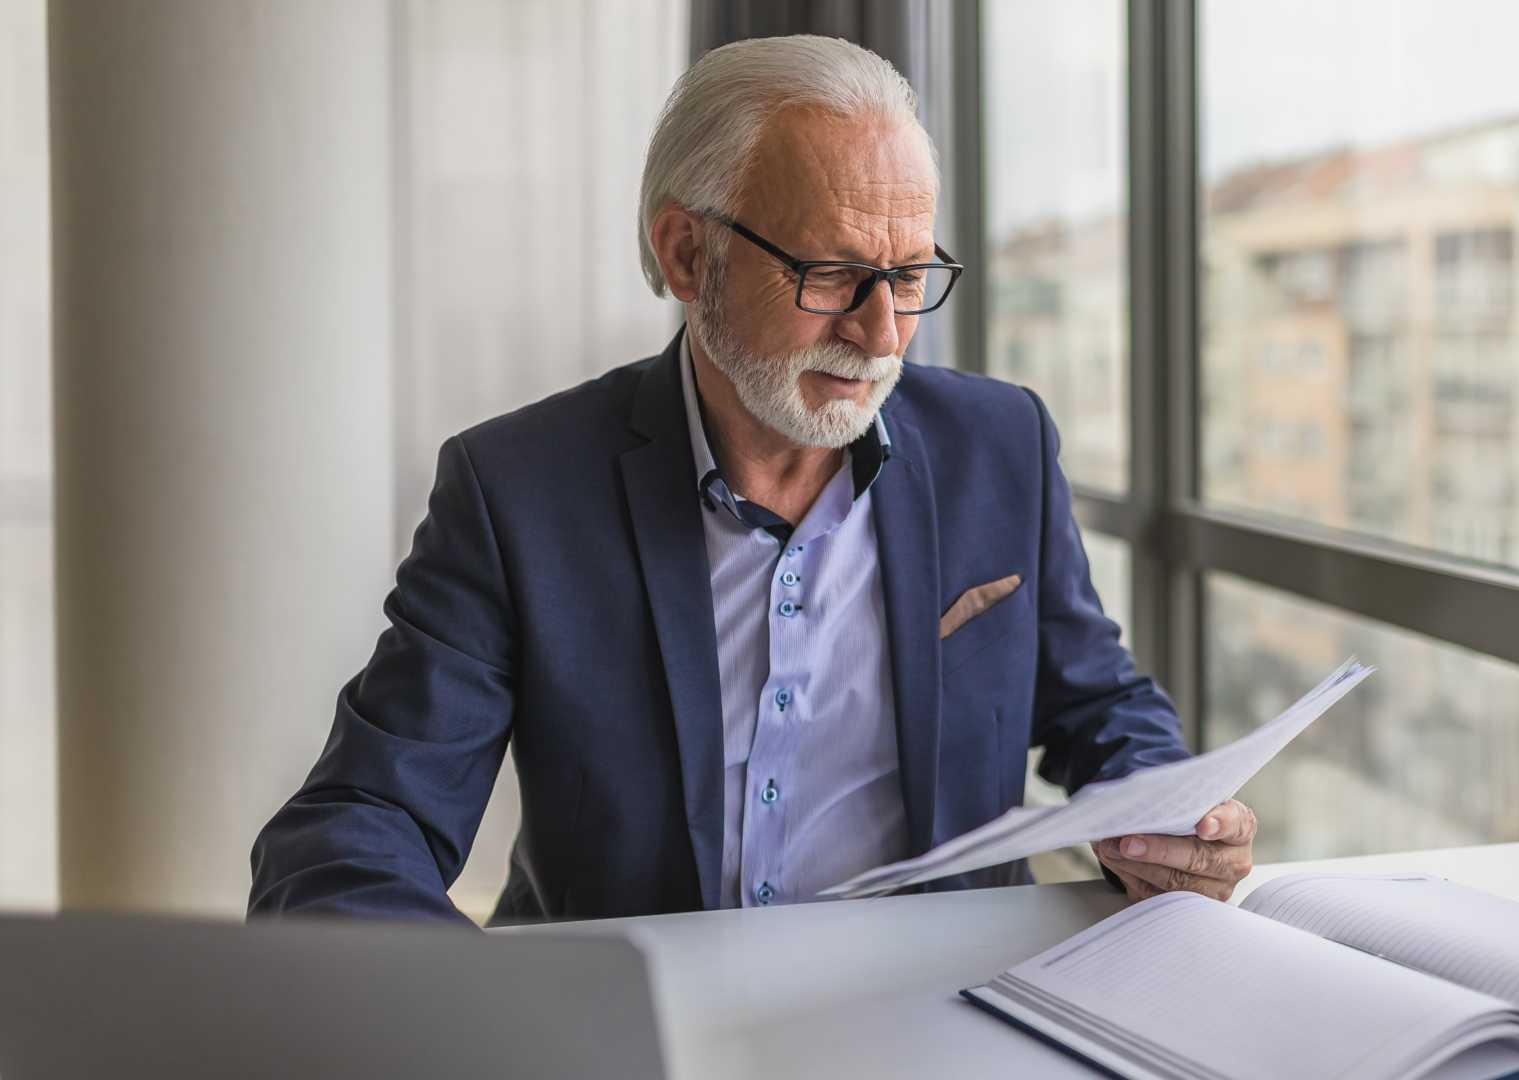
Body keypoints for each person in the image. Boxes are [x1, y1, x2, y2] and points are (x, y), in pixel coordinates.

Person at [248, 34, 1254, 924]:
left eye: (909, 277)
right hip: (633, 1022)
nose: (881, 334)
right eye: (831, 276)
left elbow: (1097, 705)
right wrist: (442, 1017)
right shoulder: (517, 492)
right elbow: (360, 822)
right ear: (689, 255)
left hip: (938, 1002)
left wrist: (1171, 809)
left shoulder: (1002, 443)